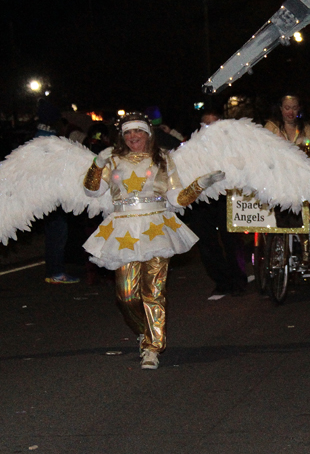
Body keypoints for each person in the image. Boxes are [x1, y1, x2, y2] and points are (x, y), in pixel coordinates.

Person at [82, 112, 224, 369]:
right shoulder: (113, 160)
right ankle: (144, 331)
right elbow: (92, 190)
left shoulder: (163, 159)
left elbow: (177, 198)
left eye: (138, 131)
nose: (133, 136)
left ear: (148, 134)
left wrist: (200, 184)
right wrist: (97, 163)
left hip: (156, 228)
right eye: (128, 132)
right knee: (126, 296)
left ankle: (152, 347)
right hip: (123, 229)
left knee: (154, 292)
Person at [188, 109, 248, 299]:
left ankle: (238, 279)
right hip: (202, 200)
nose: (211, 128)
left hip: (225, 197)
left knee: (232, 239)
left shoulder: (230, 145)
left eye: (215, 123)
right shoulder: (193, 146)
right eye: (206, 124)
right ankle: (222, 281)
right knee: (207, 242)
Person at [35, 99, 80, 284]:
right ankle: (56, 272)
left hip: (47, 193)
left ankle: (53, 270)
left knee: (54, 233)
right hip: (53, 194)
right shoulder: (49, 141)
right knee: (57, 233)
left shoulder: (39, 138)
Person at [264, 95, 310, 162]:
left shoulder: (305, 128)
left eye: (294, 108)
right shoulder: (271, 127)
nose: (291, 112)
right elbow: (263, 151)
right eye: (287, 108)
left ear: (299, 108)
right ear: (281, 108)